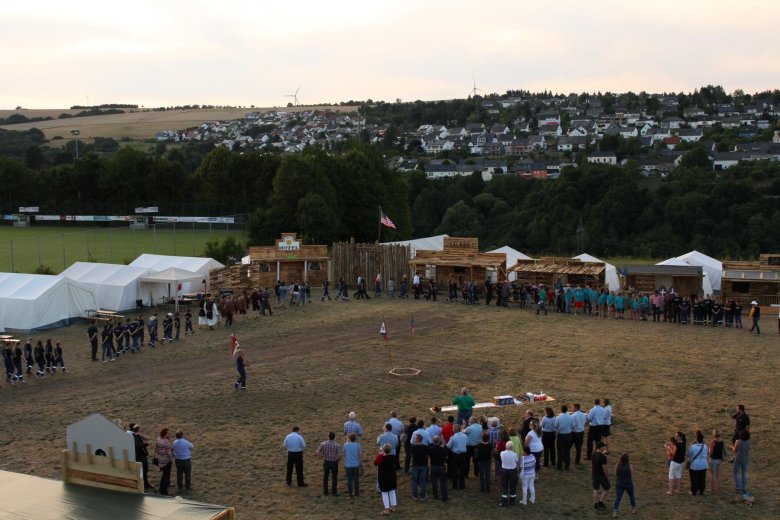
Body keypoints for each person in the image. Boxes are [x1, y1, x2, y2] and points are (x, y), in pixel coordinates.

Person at [316, 431, 342, 496]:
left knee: (326, 477)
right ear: (334, 437)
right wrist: (337, 460)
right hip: (334, 463)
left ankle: (326, 491)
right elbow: (339, 455)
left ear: (328, 436)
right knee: (334, 477)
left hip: (326, 462)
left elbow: (317, 452)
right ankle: (334, 492)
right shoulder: (337, 445)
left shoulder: (323, 444)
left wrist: (322, 456)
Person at [375, 443, 397, 515]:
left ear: (383, 450)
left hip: (383, 477)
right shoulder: (393, 457)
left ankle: (386, 510)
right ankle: (393, 508)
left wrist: (380, 454)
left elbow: (375, 463)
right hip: (392, 476)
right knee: (392, 491)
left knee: (384, 493)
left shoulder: (380, 457)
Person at [612, 453, 637, 517]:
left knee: (618, 498)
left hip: (619, 483)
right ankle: (633, 509)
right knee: (631, 496)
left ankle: (615, 511)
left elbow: (616, 473)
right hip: (628, 483)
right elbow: (632, 475)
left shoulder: (617, 465)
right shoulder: (629, 466)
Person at [446, 424, 468, 489]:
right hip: (463, 455)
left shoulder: (453, 437)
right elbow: (467, 443)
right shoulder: (465, 436)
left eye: (453, 428)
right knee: (462, 470)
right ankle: (462, 485)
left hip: (455, 455)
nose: (452, 429)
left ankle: (454, 485)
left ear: (455, 430)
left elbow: (448, 446)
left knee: (454, 470)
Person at [132, 424, 154, 490]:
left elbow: (147, 438)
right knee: (143, 471)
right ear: (138, 429)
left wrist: (140, 435)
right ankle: (145, 484)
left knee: (145, 470)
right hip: (140, 456)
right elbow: (138, 446)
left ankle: (146, 483)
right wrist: (146, 444)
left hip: (142, 455)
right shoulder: (135, 437)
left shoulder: (136, 436)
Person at [687, 430, 708, 496]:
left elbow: (689, 455)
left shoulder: (692, 447)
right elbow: (707, 453)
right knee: (702, 478)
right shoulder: (705, 446)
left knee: (694, 479)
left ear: (696, 439)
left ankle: (694, 491)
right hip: (703, 464)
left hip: (694, 465)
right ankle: (702, 490)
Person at [499, 440, 519, 506]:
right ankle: (512, 501)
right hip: (513, 471)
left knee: (504, 486)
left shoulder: (502, 453)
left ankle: (504, 502)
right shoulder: (515, 454)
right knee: (513, 486)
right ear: (512, 447)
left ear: (506, 446)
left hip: (504, 470)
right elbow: (517, 461)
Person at [429, 435, 448, 501]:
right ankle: (444, 496)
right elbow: (446, 455)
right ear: (439, 441)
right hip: (441, 466)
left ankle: (435, 495)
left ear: (433, 441)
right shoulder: (443, 449)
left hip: (433, 466)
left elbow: (429, 455)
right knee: (443, 482)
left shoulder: (431, 449)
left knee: (434, 482)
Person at [592, 441, 610, 510]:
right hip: (601, 475)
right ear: (601, 447)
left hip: (594, 474)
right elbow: (604, 468)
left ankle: (595, 504)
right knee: (607, 488)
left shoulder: (593, 454)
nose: (604, 447)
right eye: (603, 446)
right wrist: (607, 477)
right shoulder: (603, 457)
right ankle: (600, 502)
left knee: (595, 489)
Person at [155, 428, 173, 496]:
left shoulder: (158, 439)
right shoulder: (166, 442)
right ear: (165, 434)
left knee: (164, 476)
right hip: (166, 461)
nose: (169, 434)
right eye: (168, 433)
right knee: (165, 476)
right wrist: (171, 459)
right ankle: (164, 491)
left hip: (161, 460)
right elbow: (169, 453)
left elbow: (157, 450)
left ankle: (162, 489)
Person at [410, 434, 429, 499]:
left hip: (415, 465)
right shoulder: (425, 447)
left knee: (415, 481)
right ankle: (423, 496)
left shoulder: (413, 447)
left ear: (417, 439)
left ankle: (414, 495)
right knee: (423, 481)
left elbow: (411, 454)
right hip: (424, 465)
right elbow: (428, 455)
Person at [555, 404, 574, 470]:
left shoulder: (558, 417)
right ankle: (567, 465)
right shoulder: (570, 417)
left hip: (561, 435)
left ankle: (559, 466)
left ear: (561, 410)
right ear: (567, 410)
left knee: (560, 451)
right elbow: (573, 425)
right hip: (568, 435)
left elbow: (556, 426)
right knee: (567, 451)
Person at [343, 432, 361, 497]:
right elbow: (360, 455)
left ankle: (350, 493)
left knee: (349, 479)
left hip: (348, 465)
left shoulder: (345, 445)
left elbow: (344, 453)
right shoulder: (357, 445)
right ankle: (357, 493)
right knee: (356, 479)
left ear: (349, 438)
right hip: (356, 464)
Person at [667, 431, 686, 495]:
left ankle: (670, 491)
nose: (675, 437)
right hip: (681, 462)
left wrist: (669, 448)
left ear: (680, 437)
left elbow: (673, 453)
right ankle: (678, 490)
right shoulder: (684, 443)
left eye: (676, 436)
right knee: (678, 475)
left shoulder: (677, 444)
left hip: (675, 462)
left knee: (671, 475)